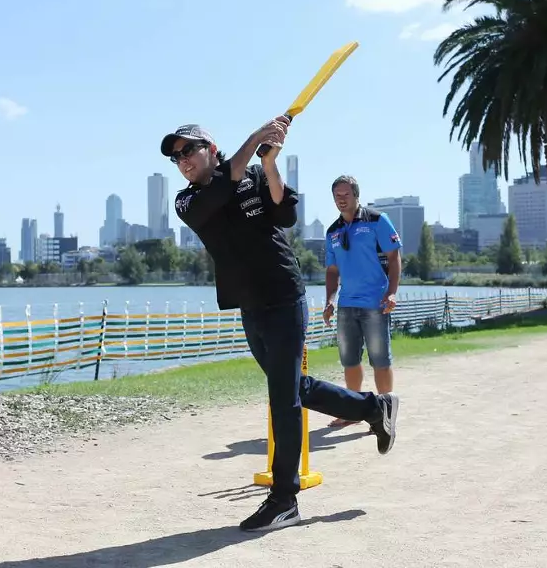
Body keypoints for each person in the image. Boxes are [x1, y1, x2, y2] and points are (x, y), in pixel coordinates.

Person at [160, 117, 399, 533]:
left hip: (284, 296)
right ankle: (375, 407)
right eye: (176, 156)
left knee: (282, 396)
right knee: (296, 387)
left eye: (188, 150)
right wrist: (256, 138)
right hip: (249, 304)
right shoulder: (187, 201)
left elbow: (285, 214)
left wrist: (269, 164)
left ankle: (284, 498)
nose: (182, 161)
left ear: (211, 149)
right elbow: (220, 190)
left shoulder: (252, 174)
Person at [323, 176, 403, 428]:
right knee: (349, 360)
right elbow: (332, 271)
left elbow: (394, 257)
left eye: (346, 194)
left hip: (375, 302)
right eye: (337, 195)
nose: (341, 199)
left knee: (380, 359)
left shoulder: (377, 221)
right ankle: (353, 412)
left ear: (356, 195)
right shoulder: (333, 231)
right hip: (346, 304)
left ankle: (384, 414)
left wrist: (391, 292)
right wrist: (330, 301)